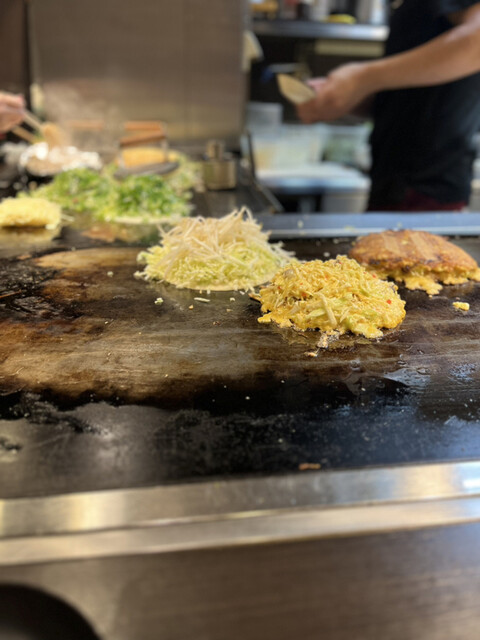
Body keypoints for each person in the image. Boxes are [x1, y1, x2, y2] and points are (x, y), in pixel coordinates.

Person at [296, 2, 480, 211]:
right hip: (393, 185)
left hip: (427, 188)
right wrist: (344, 96)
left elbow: (476, 42)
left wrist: (361, 78)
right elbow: (407, 97)